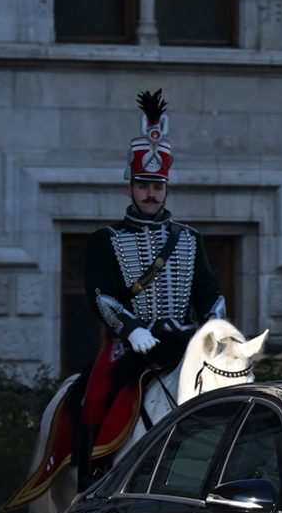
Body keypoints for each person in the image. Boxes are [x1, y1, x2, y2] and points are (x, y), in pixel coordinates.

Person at [73, 89, 225, 476]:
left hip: (183, 343)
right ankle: (88, 481)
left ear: (166, 189)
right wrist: (131, 328)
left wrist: (213, 328)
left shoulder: (189, 239)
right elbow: (101, 295)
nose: (151, 194)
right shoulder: (105, 239)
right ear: (130, 189)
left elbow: (209, 292)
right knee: (92, 398)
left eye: (157, 187)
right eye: (143, 186)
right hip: (131, 345)